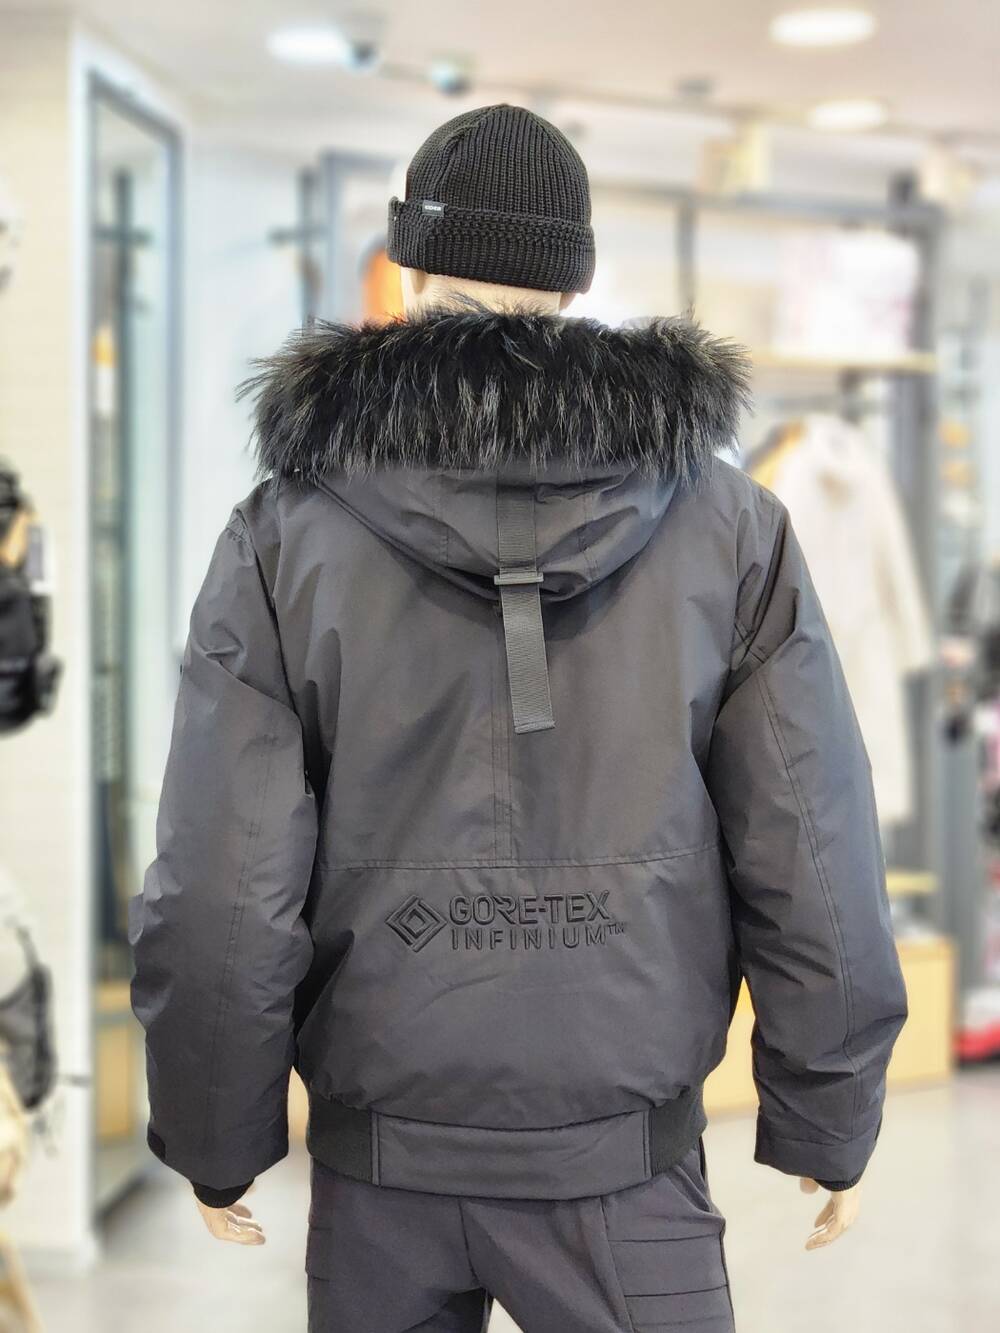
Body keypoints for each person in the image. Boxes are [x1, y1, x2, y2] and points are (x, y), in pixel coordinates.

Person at [129, 104, 908, 1333]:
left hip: (381, 1176)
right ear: (575, 280)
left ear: (410, 265)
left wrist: (214, 1133)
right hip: (625, 1172)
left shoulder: (287, 532)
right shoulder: (729, 527)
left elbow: (225, 874)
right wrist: (830, 1109)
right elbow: (810, 840)